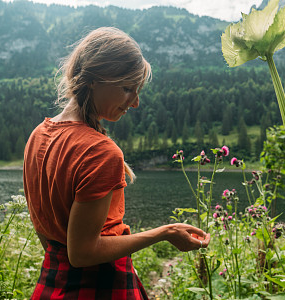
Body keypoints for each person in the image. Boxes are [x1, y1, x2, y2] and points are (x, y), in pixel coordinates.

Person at [23, 27, 211, 299]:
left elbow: (46, 232)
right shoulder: (100, 151)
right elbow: (82, 253)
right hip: (101, 284)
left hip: (52, 282)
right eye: (127, 89)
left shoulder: (37, 135)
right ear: (94, 79)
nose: (134, 103)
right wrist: (166, 232)